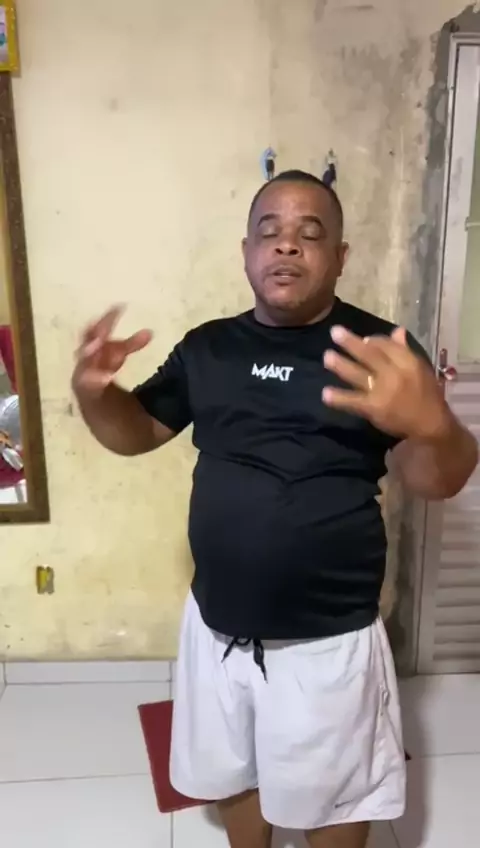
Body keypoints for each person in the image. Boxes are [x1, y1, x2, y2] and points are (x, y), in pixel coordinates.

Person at [72, 170, 477, 848]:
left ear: (340, 257)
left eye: (309, 234)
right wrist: (94, 393)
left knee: (338, 796)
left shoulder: (378, 354)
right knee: (234, 767)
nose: (286, 245)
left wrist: (434, 426)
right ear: (246, 253)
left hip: (329, 639)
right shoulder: (208, 347)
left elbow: (436, 480)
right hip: (218, 626)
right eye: (270, 232)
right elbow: (135, 431)